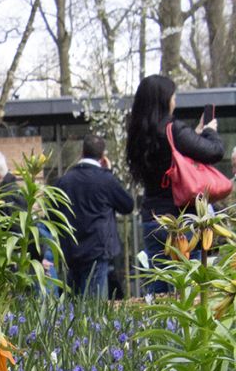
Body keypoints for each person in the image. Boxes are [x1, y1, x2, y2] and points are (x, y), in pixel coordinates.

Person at [124, 74, 223, 292]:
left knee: (158, 284)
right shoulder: (173, 129)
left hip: (152, 219)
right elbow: (215, 151)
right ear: (164, 100)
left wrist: (194, 135)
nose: (175, 102)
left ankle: (157, 314)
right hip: (181, 219)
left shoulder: (137, 134)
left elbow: (169, 155)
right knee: (190, 285)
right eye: (173, 97)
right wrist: (209, 131)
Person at [53, 134, 134, 298]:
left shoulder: (64, 182)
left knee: (74, 304)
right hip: (98, 250)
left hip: (71, 251)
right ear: (103, 156)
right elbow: (127, 205)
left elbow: (52, 214)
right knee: (94, 305)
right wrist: (108, 172)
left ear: (81, 153)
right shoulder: (105, 180)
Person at [0, 150, 56, 280]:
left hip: (21, 264)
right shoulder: (4, 194)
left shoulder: (10, 196)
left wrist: (38, 259)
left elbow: (24, 231)